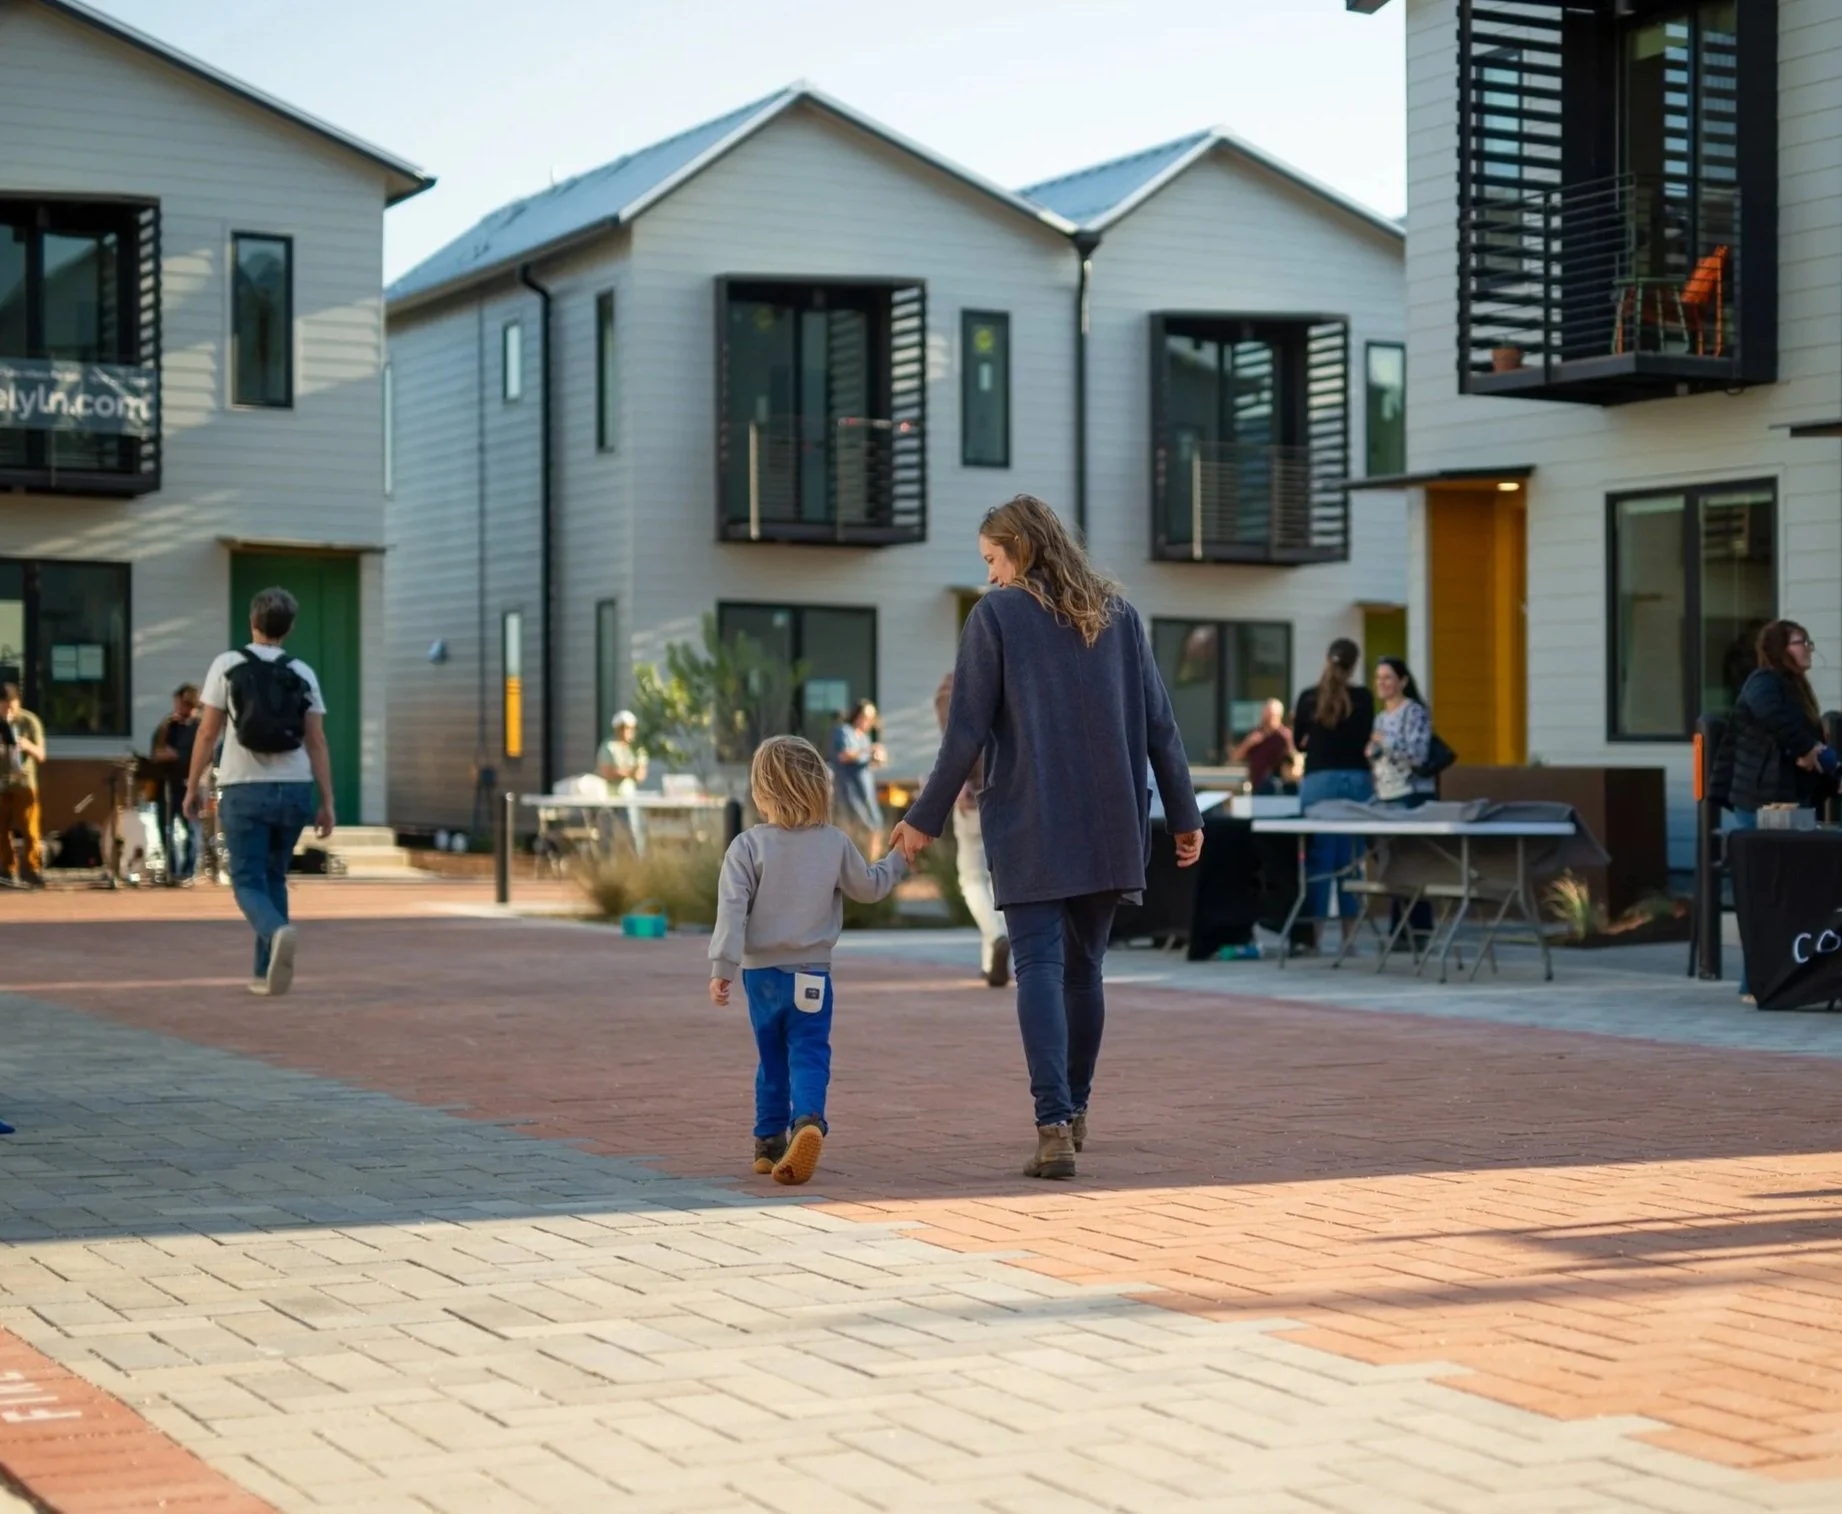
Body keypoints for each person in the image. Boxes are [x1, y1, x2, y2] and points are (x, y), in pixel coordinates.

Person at [891, 495, 1203, 1181]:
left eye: (992, 560)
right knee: (1084, 970)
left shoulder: (995, 618)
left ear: (1020, 550)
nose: (990, 576)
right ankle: (1077, 1110)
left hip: (1031, 820)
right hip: (1111, 821)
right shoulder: (1118, 616)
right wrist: (1185, 815)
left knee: (1037, 967)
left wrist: (923, 819)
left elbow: (965, 733)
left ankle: (1053, 1125)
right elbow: (1161, 725)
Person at [710, 735, 906, 1186]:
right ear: (821, 788)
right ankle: (808, 1122)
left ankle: (767, 1143)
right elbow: (870, 887)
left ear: (761, 793)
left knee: (771, 1055)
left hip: (760, 976)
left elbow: (731, 909)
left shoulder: (747, 847)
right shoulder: (833, 843)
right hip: (812, 974)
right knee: (809, 1051)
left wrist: (723, 966)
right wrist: (899, 860)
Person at [184, 587, 335, 997]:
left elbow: (207, 731)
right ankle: (265, 974)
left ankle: (276, 931)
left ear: (252, 621)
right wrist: (327, 801)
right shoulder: (303, 672)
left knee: (246, 880)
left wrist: (193, 783)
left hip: (244, 789)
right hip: (295, 788)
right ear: (289, 629)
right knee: (273, 877)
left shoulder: (227, 664)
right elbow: (317, 742)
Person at [1713, 619, 1838, 1001]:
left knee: (1787, 891)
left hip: (1786, 801)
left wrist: (1823, 760)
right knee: (1767, 891)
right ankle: (1754, 983)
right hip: (1759, 800)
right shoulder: (1764, 683)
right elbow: (1776, 720)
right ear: (1781, 648)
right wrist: (1805, 749)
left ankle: (1774, 980)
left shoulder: (1793, 688)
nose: (1808, 649)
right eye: (1802, 642)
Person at [1291, 641, 1375, 946]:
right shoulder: (1364, 697)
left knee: (1318, 860)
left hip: (1319, 779)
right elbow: (1366, 738)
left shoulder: (1308, 697)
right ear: (1354, 665)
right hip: (1356, 778)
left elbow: (1299, 742)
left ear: (1327, 659)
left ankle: (1313, 937)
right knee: (1351, 860)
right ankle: (1348, 939)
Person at [934, 670, 1008, 988]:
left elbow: (957, 738)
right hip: (1014, 794)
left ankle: (997, 935)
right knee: (999, 880)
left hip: (975, 795)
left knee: (972, 878)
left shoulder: (954, 687)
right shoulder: (1014, 677)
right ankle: (991, 961)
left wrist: (961, 779)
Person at [1367, 657, 1436, 808]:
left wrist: (1385, 741)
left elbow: (1418, 755)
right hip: (1384, 793)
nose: (1381, 683)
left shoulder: (1414, 712)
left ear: (1403, 682)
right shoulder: (1380, 718)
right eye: (1378, 678)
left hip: (1411, 793)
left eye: (1387, 678)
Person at [151, 684, 202, 884]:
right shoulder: (168, 726)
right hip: (166, 785)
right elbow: (155, 752)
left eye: (180, 704)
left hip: (189, 784)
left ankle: (188, 871)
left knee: (191, 828)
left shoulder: (198, 727)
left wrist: (177, 756)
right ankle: (172, 870)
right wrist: (164, 730)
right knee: (166, 828)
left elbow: (202, 755)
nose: (177, 708)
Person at [0, 683, 47, 889]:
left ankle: (33, 869)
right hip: (2, 782)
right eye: (3, 706)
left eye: (11, 705)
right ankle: (7, 869)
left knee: (30, 828)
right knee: (1, 830)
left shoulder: (29, 721)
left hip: (24, 783)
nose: (7, 710)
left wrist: (26, 745)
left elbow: (42, 755)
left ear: (18, 702)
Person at [830, 700, 885, 847]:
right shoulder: (844, 731)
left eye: (872, 718)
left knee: (876, 824)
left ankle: (873, 864)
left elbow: (865, 760)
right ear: (858, 715)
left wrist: (876, 758)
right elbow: (843, 755)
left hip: (866, 788)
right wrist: (868, 751)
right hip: (849, 787)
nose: (869, 722)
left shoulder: (865, 738)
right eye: (867, 717)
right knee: (858, 824)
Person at [1230, 698, 1298, 795]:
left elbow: (1294, 762)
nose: (1267, 719)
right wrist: (1248, 744)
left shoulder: (1284, 737)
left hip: (1278, 790)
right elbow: (1235, 758)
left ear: (1278, 716)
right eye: (1265, 715)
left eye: (1271, 716)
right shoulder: (1255, 734)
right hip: (1256, 787)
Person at [596, 711, 648, 793]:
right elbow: (606, 772)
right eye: (622, 728)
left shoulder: (638, 748)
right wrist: (629, 773)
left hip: (630, 793)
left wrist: (625, 772)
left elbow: (640, 775)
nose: (625, 731)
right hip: (608, 795)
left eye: (628, 728)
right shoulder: (608, 746)